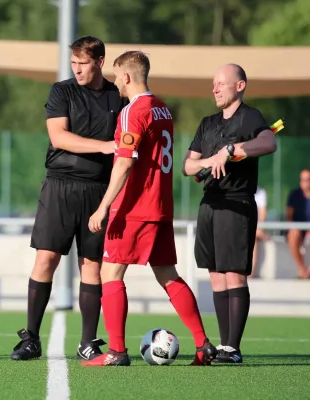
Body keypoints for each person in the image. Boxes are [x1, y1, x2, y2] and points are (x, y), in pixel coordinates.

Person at [80, 50, 217, 367]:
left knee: (110, 273)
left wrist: (104, 208)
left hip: (134, 209)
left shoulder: (133, 111)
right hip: (161, 208)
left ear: (126, 76)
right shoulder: (162, 109)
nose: (115, 82)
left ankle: (116, 351)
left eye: (116, 76)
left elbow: (125, 162)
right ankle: (203, 344)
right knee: (168, 275)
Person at [10, 36, 128, 361]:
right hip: (60, 185)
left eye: (83, 63)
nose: (76, 69)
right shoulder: (61, 91)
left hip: (99, 191)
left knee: (92, 266)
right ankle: (31, 338)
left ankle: (87, 342)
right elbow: (57, 136)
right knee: (46, 258)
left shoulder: (117, 97)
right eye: (73, 63)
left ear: (100, 62)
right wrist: (102, 146)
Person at [182, 63, 277, 364]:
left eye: (221, 83)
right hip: (210, 204)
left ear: (239, 86)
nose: (215, 88)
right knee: (217, 277)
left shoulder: (250, 117)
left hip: (237, 203)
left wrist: (234, 150)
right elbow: (188, 165)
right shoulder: (207, 123)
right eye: (214, 83)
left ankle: (233, 348)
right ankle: (224, 346)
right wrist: (211, 159)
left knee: (234, 275)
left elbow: (269, 141)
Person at [251, 187, 269, 278]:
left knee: (252, 235)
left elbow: (263, 214)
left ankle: (250, 270)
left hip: (253, 228)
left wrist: (259, 228)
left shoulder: (260, 192)